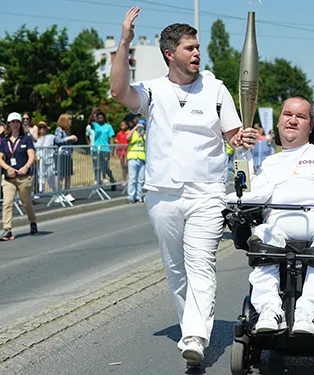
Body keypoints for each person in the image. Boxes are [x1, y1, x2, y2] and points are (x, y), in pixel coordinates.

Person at [109, 6, 259, 367]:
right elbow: (117, 91)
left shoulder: (216, 88)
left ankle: (195, 337)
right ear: (169, 53)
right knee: (175, 268)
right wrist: (125, 39)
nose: (197, 53)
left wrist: (244, 137)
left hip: (207, 192)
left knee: (201, 264)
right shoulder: (152, 91)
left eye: (197, 47)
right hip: (162, 194)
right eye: (189, 48)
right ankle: (188, 324)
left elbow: (233, 136)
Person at [227, 96, 314, 334]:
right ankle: (270, 310)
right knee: (262, 235)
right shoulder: (270, 163)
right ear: (278, 123)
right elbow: (251, 195)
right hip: (278, 223)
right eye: (287, 115)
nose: (292, 120)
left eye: (300, 116)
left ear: (310, 126)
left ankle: (307, 312)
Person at [0, 112, 38, 241]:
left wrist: (25, 167)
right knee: (7, 203)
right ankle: (7, 229)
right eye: (12, 122)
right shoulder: (5, 141)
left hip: (23, 177)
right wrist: (7, 168)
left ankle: (32, 222)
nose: (15, 124)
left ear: (20, 124)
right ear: (9, 124)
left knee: (26, 203)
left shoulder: (26, 139)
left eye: (17, 122)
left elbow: (31, 156)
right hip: (9, 177)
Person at [126, 119, 146, 203]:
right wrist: (135, 128)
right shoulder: (133, 133)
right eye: (139, 126)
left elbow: (147, 143)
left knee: (141, 179)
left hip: (141, 158)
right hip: (133, 157)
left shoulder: (145, 135)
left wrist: (142, 135)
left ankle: (138, 196)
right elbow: (128, 137)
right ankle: (131, 196)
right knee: (132, 178)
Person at [116, 121, 130, 187]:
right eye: (121, 125)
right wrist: (115, 151)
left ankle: (130, 178)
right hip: (120, 151)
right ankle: (124, 180)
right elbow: (117, 142)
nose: (122, 126)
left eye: (123, 125)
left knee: (126, 164)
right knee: (123, 166)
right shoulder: (119, 134)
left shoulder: (129, 132)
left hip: (127, 151)